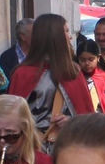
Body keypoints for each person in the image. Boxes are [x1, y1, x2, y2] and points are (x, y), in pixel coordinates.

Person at [9, 13, 95, 146]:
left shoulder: (73, 71)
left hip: (67, 147)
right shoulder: (22, 74)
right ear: (55, 36)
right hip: (32, 150)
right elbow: (12, 119)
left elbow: (86, 116)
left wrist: (71, 122)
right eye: (66, 31)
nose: (70, 36)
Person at [75, 36, 105, 113]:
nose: (87, 63)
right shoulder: (74, 78)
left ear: (98, 57)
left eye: (91, 59)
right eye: (82, 60)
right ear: (78, 59)